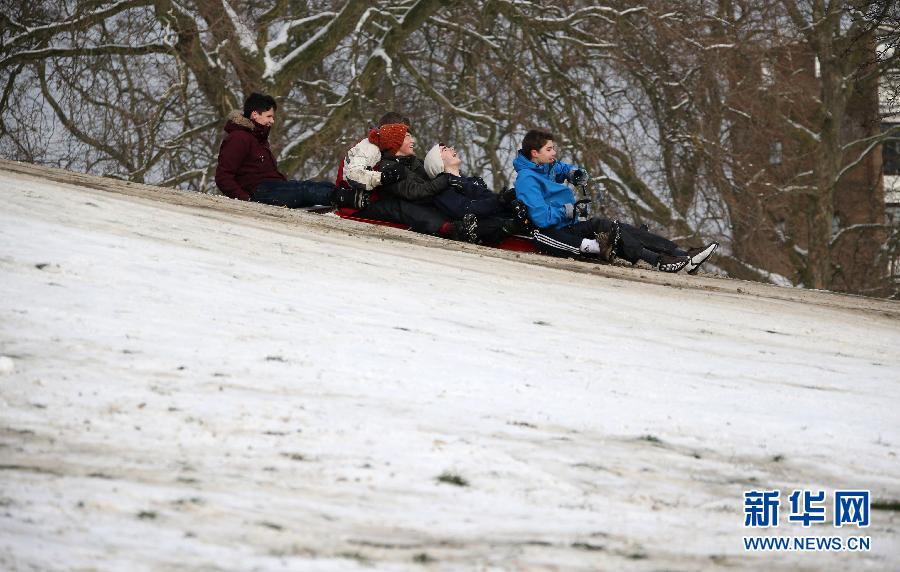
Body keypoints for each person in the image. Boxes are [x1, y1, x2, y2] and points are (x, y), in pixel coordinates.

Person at [513, 129, 717, 273]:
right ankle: (660, 261)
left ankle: (681, 254)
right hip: (556, 231)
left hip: (570, 223)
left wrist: (573, 172)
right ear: (535, 153)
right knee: (613, 236)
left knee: (614, 227)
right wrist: (569, 211)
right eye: (549, 149)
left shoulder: (544, 166)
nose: (554, 153)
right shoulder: (527, 179)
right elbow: (539, 217)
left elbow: (561, 168)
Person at [215, 93, 334, 208]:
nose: (272, 121)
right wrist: (246, 199)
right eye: (269, 116)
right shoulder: (239, 138)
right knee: (305, 190)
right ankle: (346, 198)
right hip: (260, 192)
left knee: (314, 186)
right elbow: (223, 176)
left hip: (273, 188)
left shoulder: (258, 139)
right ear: (255, 115)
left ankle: (345, 193)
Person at [422, 143, 527, 245]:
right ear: (438, 162)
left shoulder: (471, 181)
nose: (452, 148)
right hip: (487, 231)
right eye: (445, 149)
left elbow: (490, 202)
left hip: (504, 221)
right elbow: (467, 210)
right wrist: (500, 200)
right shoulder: (442, 189)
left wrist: (509, 201)